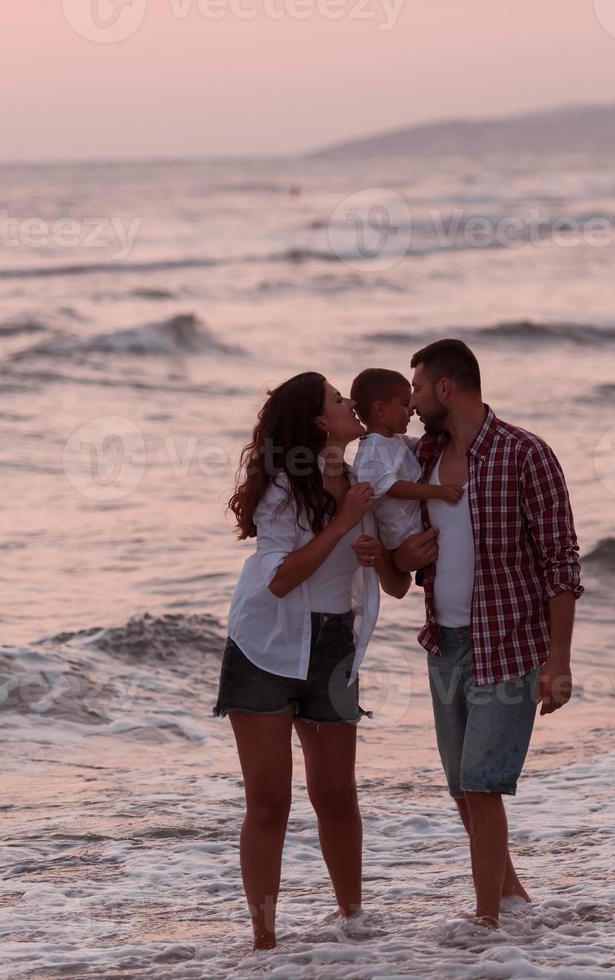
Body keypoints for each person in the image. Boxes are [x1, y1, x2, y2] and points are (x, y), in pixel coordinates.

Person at [215, 371, 411, 949]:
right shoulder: (284, 486)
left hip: (332, 649)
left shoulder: (363, 482)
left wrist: (389, 558)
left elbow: (396, 586)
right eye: (335, 398)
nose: (349, 402)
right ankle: (264, 940)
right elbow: (280, 580)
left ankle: (354, 924)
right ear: (321, 423)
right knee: (270, 802)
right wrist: (345, 522)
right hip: (266, 646)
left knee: (336, 796)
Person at [406, 339, 585, 928]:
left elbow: (561, 562)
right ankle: (512, 898)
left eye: (417, 388)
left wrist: (557, 660)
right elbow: (397, 535)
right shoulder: (423, 459)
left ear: (446, 389)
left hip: (508, 647)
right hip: (445, 644)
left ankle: (486, 926)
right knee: (462, 787)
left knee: (482, 786)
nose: (411, 401)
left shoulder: (525, 454)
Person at [350, 367, 464, 553]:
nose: (411, 409)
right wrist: (438, 491)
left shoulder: (392, 439)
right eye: (404, 404)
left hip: (414, 526)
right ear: (380, 409)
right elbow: (394, 488)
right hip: (404, 534)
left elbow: (421, 445)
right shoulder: (372, 454)